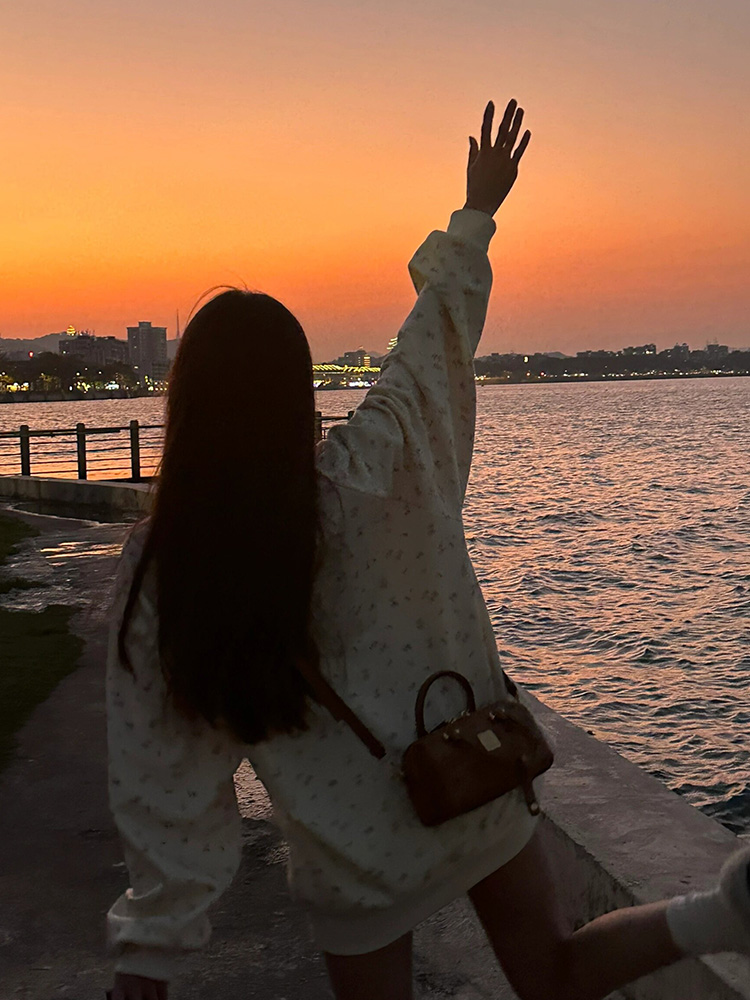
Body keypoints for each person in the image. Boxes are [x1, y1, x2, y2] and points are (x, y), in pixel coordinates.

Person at [106, 99, 750, 1000]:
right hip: (473, 780)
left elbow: (164, 777)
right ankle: (721, 915)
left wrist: (151, 951)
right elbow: (434, 331)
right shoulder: (381, 462)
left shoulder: (168, 570)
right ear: (298, 398)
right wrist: (478, 207)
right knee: (554, 970)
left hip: (353, 857)